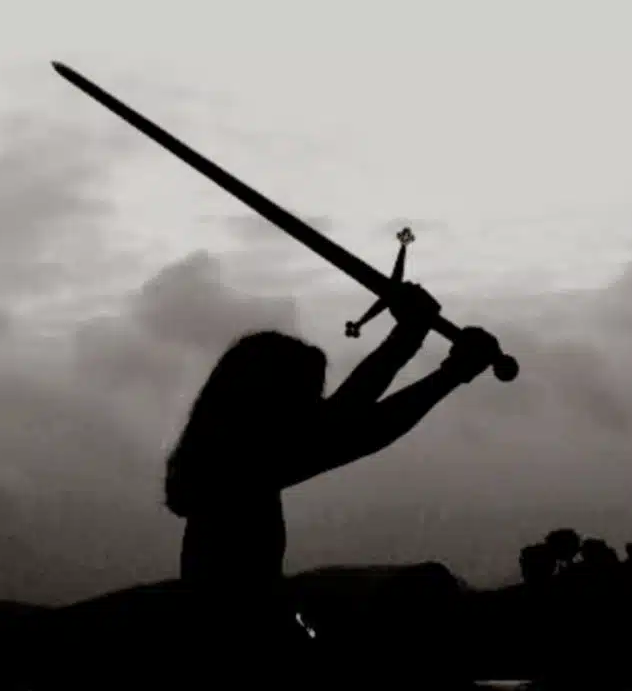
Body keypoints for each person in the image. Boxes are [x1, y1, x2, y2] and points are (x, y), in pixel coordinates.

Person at [163, 282, 500, 672]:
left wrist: (415, 340)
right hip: (238, 647)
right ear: (267, 403)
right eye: (303, 402)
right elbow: (352, 427)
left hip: (230, 639)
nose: (314, 411)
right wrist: (436, 359)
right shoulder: (241, 470)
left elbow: (343, 419)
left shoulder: (223, 462)